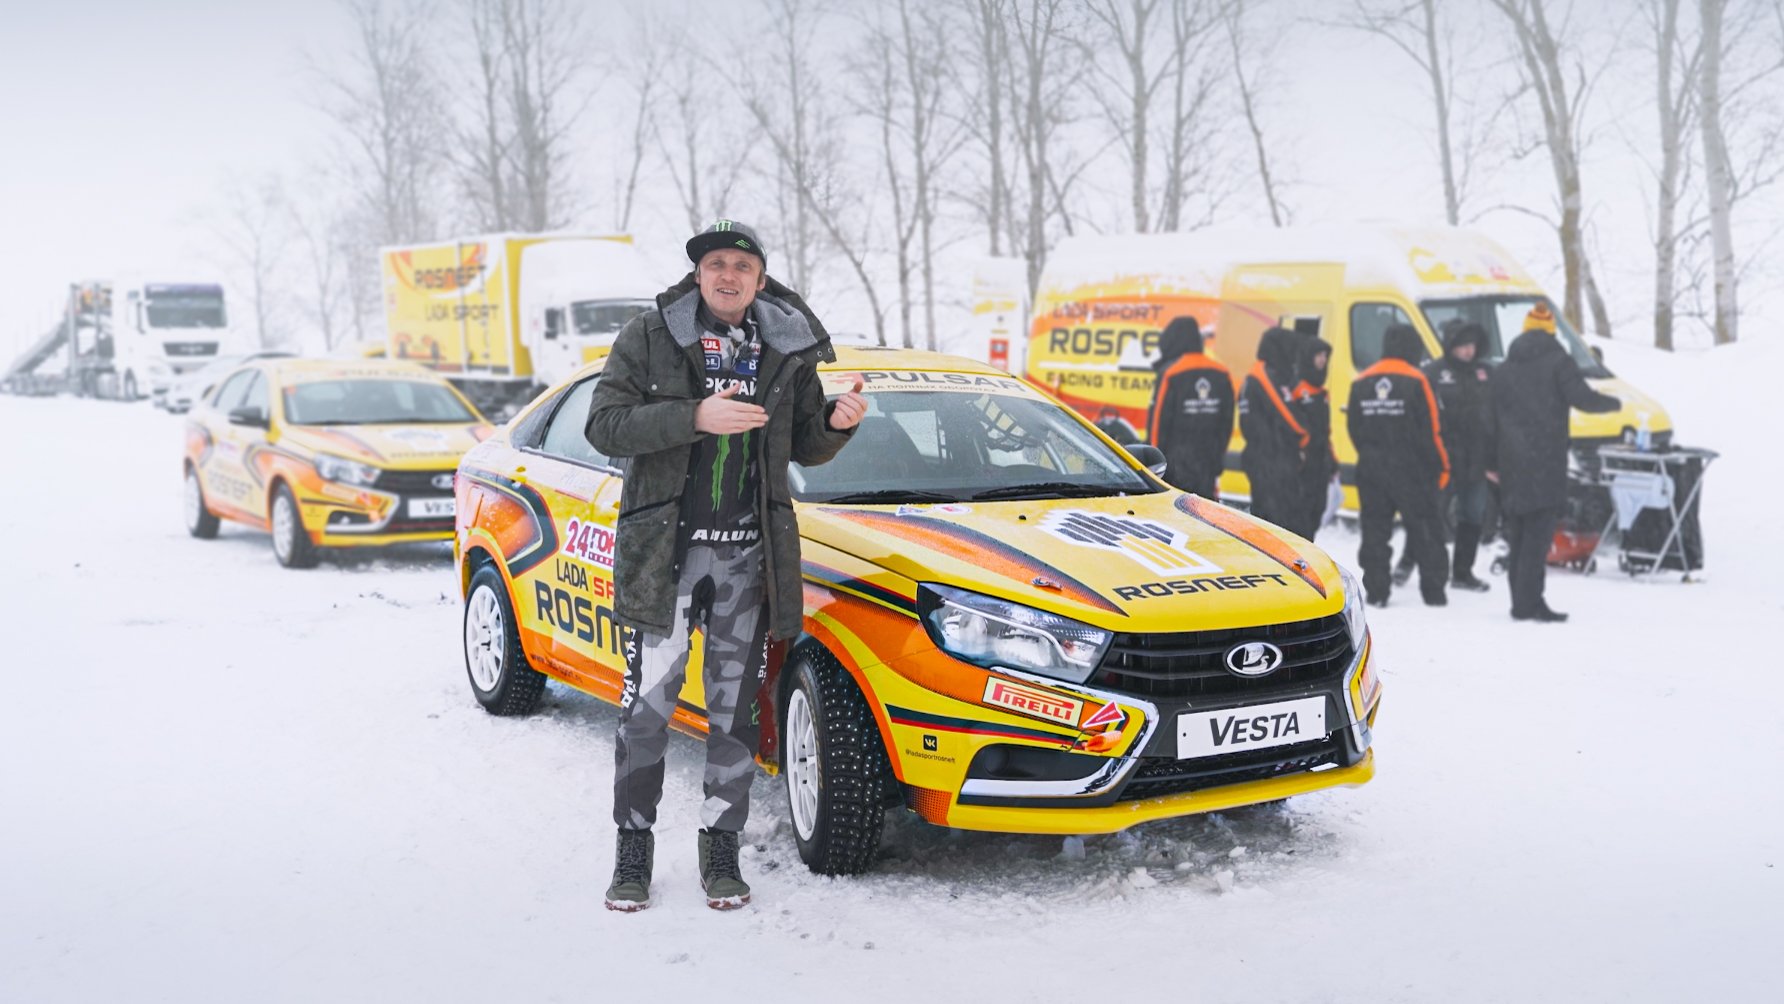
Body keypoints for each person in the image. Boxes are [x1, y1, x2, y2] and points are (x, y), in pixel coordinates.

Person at [585, 219, 865, 911]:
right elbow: (604, 425)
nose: (728, 275)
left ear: (760, 280)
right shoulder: (649, 336)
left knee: (734, 716)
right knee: (646, 711)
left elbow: (803, 442)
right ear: (698, 275)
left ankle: (721, 850)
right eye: (716, 264)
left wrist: (837, 425)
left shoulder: (786, 347)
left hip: (747, 559)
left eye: (742, 266)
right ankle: (632, 852)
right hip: (667, 558)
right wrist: (694, 417)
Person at [1488, 303, 1619, 623]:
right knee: (1538, 536)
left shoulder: (1504, 369)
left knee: (1518, 535)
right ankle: (1531, 603)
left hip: (1511, 462)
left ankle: (1520, 603)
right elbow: (1583, 399)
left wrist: (1491, 461)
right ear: (1551, 331)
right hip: (1545, 461)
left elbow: (1488, 417)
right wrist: (1614, 403)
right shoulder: (1559, 362)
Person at [1348, 324, 1449, 607]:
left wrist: (1372, 453)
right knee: (1425, 529)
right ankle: (1434, 592)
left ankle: (1377, 590)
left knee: (1375, 531)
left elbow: (1354, 427)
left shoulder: (1362, 381)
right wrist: (1442, 467)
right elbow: (1432, 430)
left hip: (1371, 470)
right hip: (1412, 471)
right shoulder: (1418, 380)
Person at [1393, 320, 1495, 590]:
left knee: (1472, 515)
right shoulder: (1431, 374)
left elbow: (1496, 416)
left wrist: (1495, 458)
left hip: (1476, 460)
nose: (1468, 351)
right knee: (1428, 513)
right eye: (1462, 345)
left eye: (1472, 345)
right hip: (1440, 459)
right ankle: (1406, 562)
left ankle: (1462, 573)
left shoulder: (1486, 374)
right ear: (1450, 346)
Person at [1147, 316, 1234, 498]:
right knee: (1203, 513)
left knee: (1177, 512)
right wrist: (1217, 459)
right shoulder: (1221, 373)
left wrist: (1156, 466)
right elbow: (1226, 424)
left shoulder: (1171, 373)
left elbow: (1157, 426)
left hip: (1174, 470)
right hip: (1207, 467)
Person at [1239, 327, 1308, 527]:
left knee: (1270, 518)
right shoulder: (1264, 376)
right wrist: (1305, 439)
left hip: (1269, 458)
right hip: (1270, 460)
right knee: (1275, 521)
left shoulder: (1266, 373)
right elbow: (1288, 415)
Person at [1286, 335, 1336, 539]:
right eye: (1318, 355)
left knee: (1317, 510)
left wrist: (1332, 461)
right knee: (1301, 516)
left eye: (1325, 356)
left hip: (1320, 464)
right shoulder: (1297, 388)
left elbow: (1325, 430)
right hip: (1303, 465)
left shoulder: (1322, 393)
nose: (1322, 360)